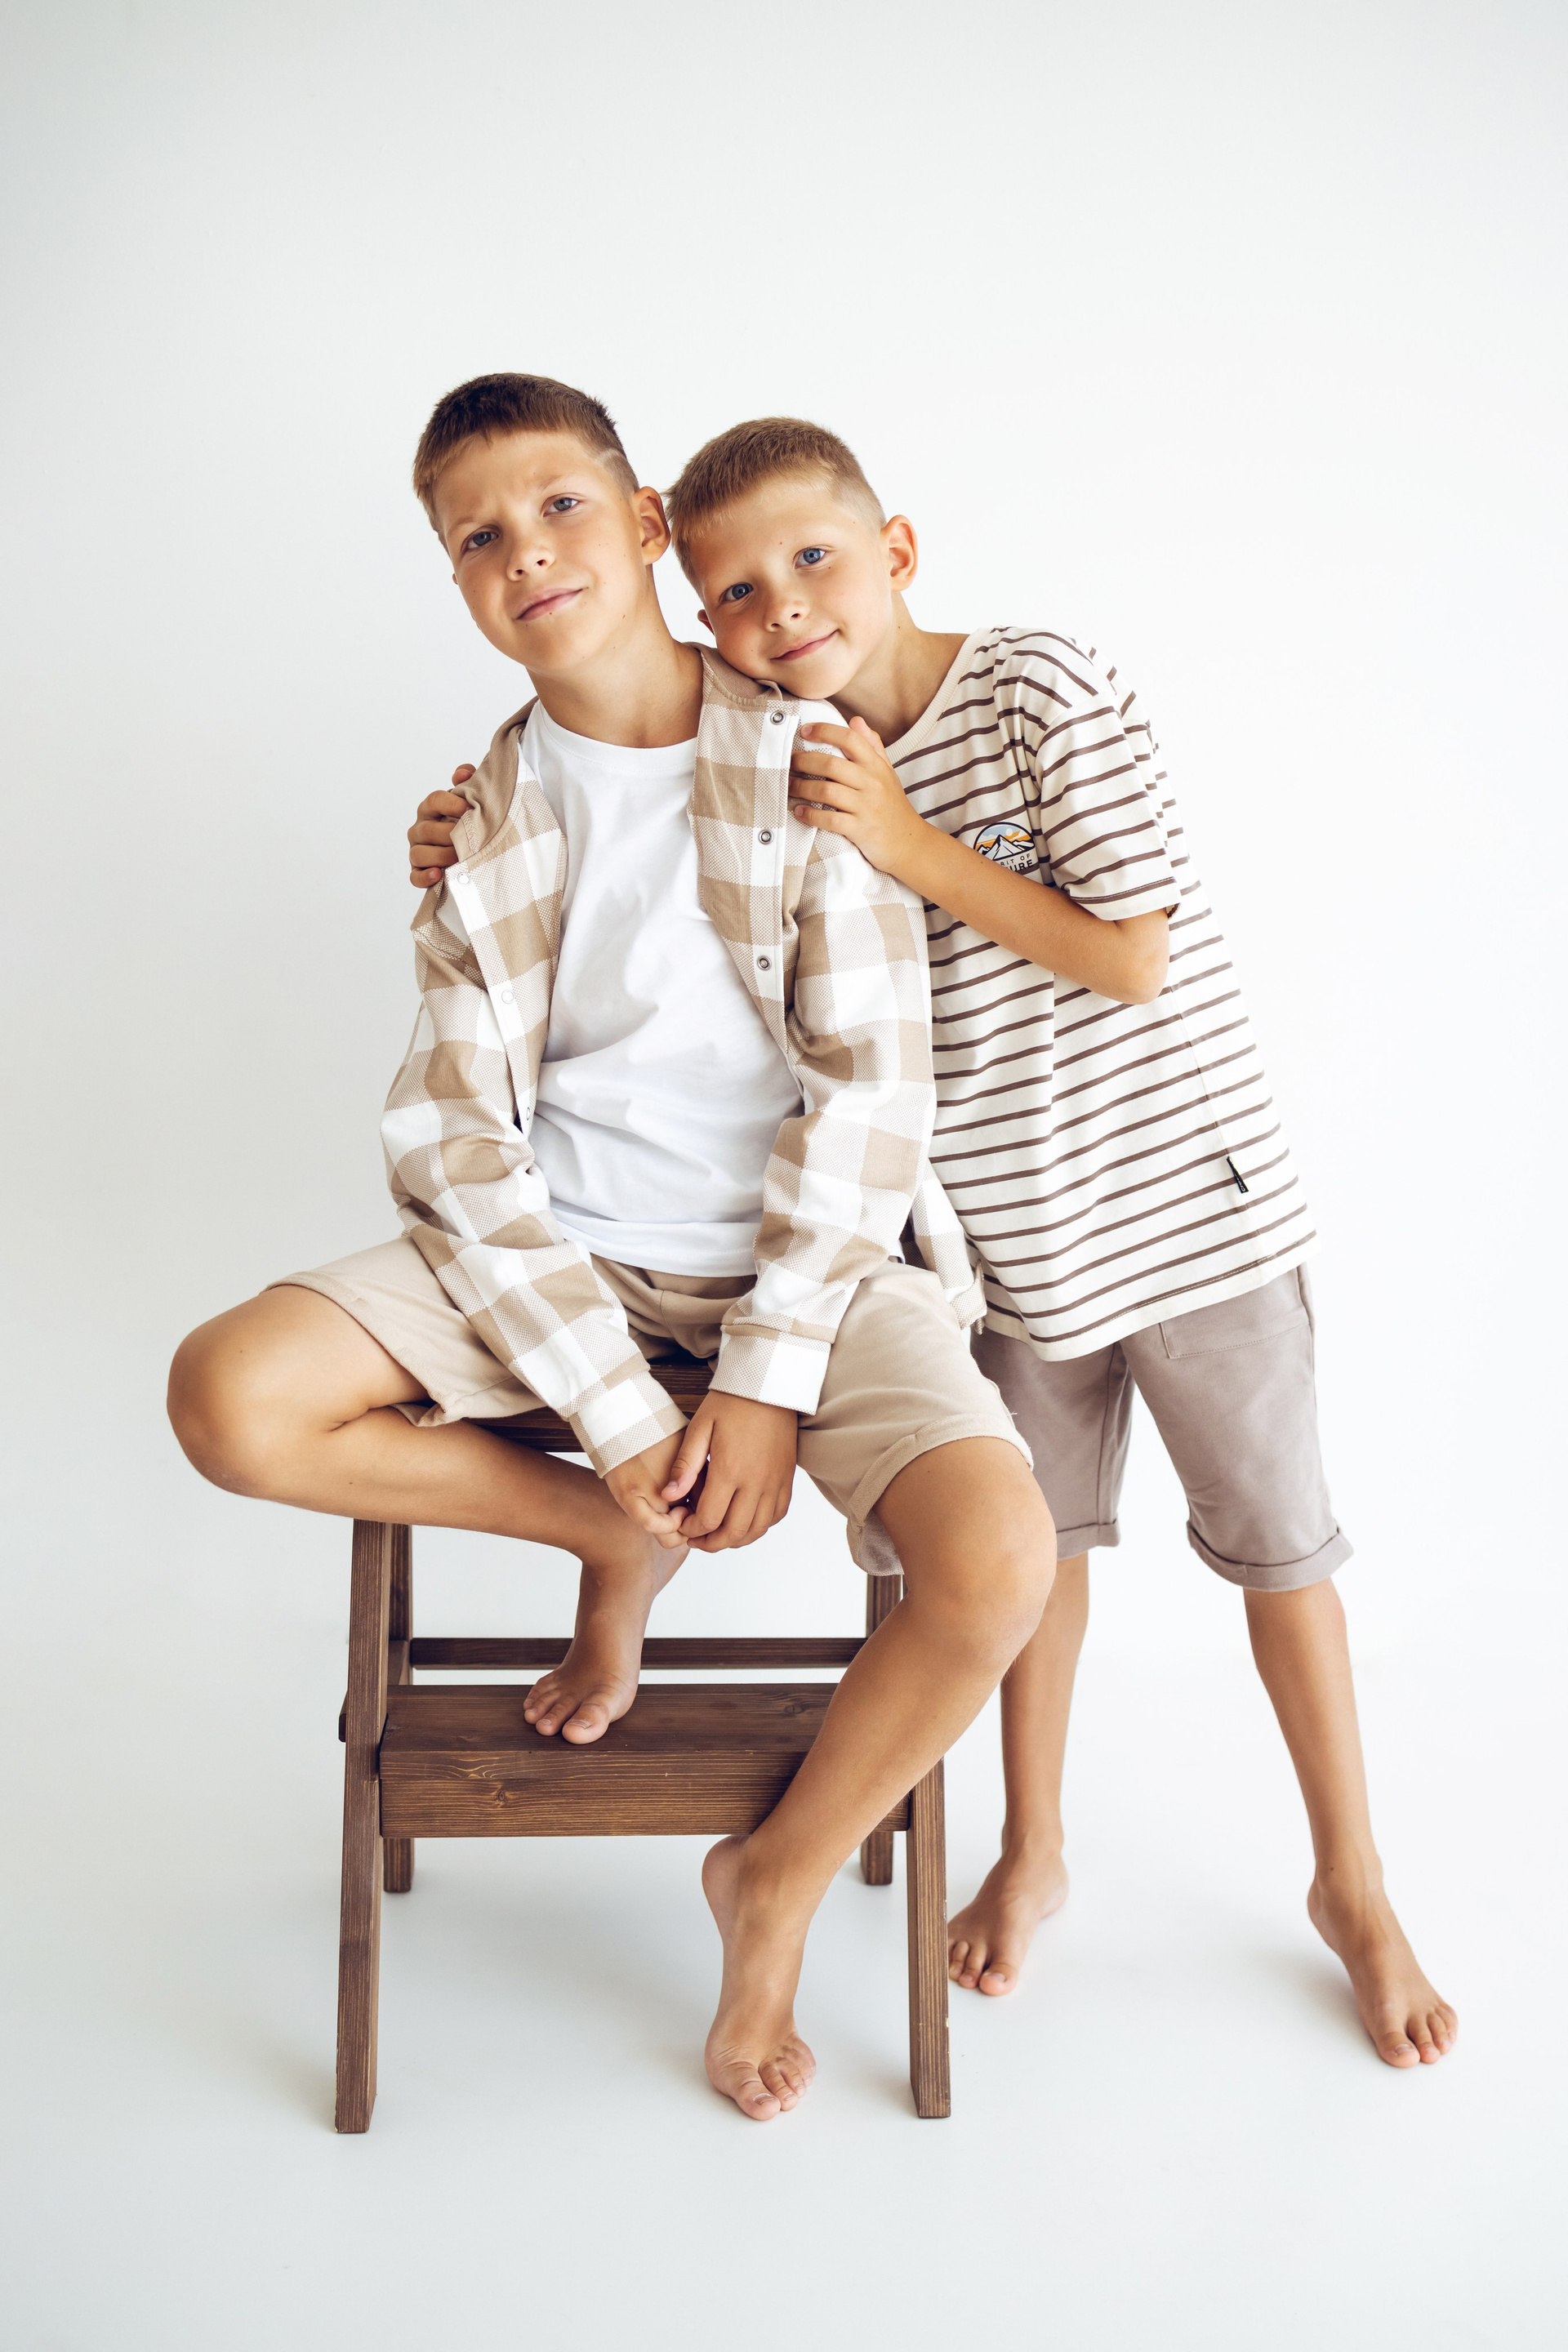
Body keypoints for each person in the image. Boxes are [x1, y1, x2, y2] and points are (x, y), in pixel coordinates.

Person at [407, 412, 1456, 2070]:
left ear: (896, 550)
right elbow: (648, 808)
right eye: (736, 592)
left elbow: (1132, 957)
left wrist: (904, 843)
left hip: (1188, 1213)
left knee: (1282, 1554)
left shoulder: (1035, 688)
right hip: (1002, 1244)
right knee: (1044, 1561)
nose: (782, 609)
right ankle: (1033, 1850)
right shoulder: (786, 740)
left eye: (816, 562)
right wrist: (464, 833)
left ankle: (1355, 1885)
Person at [168, 375, 1056, 2123]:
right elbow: (452, 1137)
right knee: (230, 1397)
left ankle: (775, 1881)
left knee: (999, 1562)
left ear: (648, 523)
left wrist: (767, 1385)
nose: (527, 552)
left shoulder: (804, 755)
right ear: (455, 582)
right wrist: (625, 1435)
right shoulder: (483, 817)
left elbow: (869, 1095)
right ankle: (610, 1540)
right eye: (478, 538)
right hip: (555, 1261)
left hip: (808, 1269)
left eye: (561, 506)